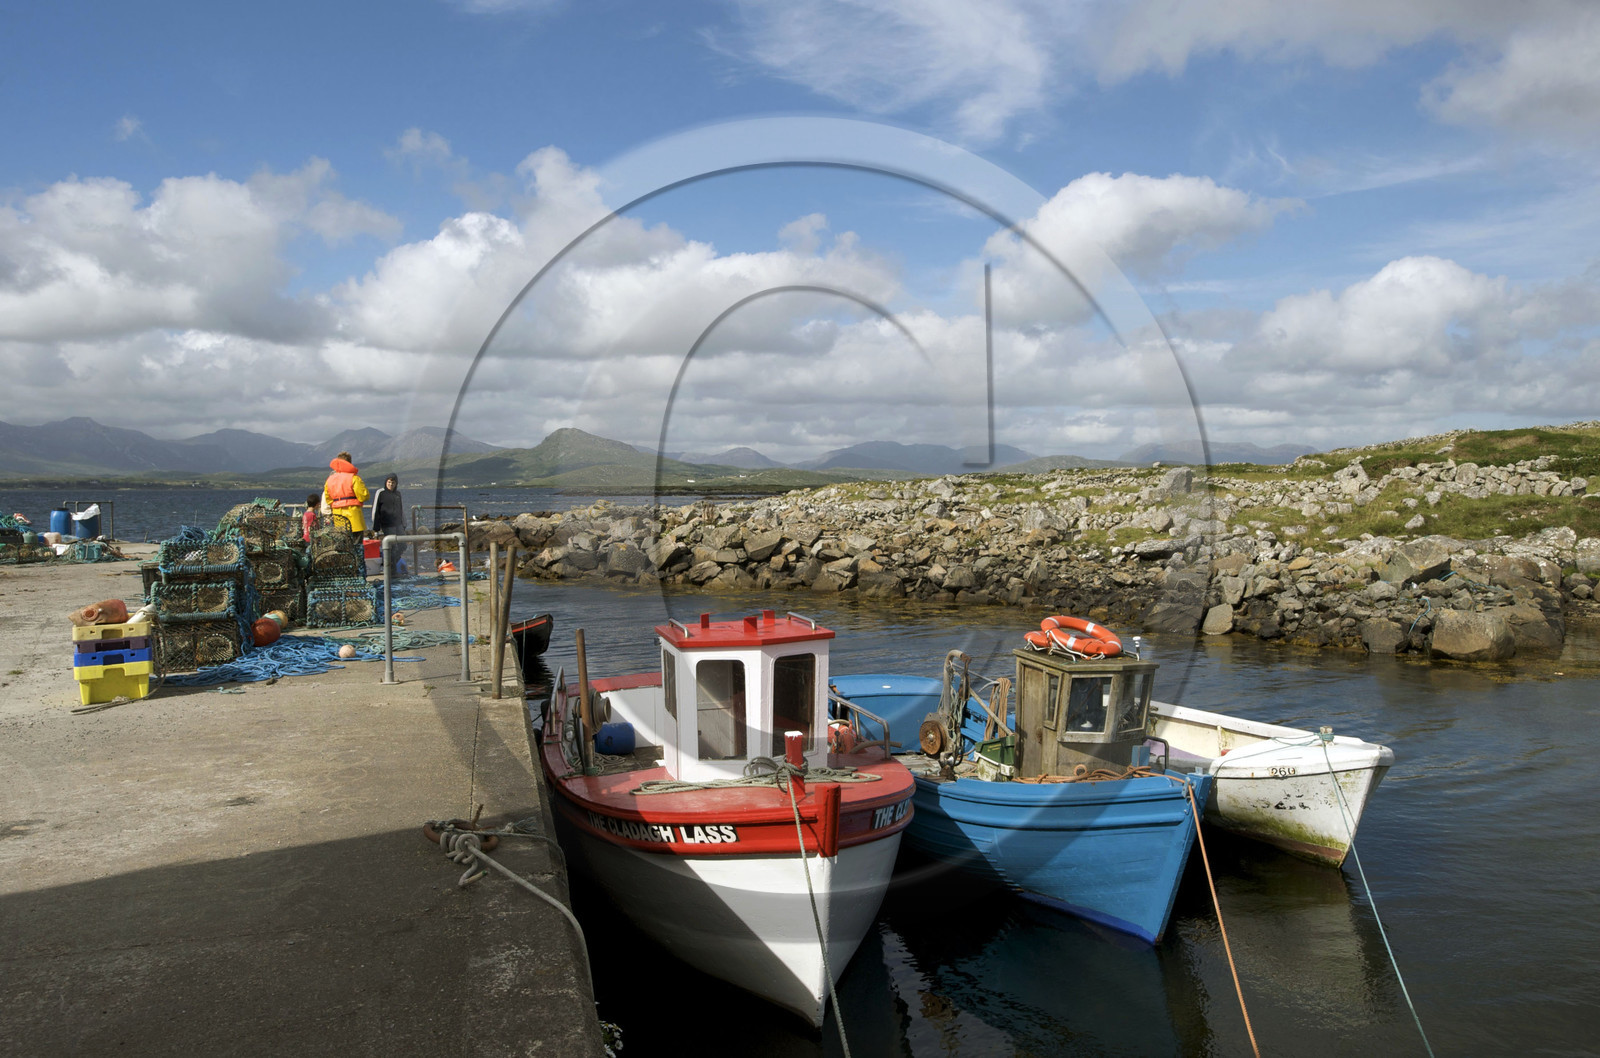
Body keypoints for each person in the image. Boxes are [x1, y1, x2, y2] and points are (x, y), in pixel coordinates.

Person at [322, 452, 369, 534]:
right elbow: (363, 496)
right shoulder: (354, 478)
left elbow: (328, 499)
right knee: (356, 540)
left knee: (342, 539)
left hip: (338, 517)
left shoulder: (329, 480)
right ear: (349, 463)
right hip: (354, 517)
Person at [369, 474, 404, 573]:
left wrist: (404, 523)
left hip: (398, 524)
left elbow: (401, 509)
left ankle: (392, 562)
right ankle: (390, 569)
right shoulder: (381, 493)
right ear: (386, 483)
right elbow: (376, 510)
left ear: (396, 483)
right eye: (389, 482)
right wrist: (376, 525)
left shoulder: (398, 494)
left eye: (393, 482)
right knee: (391, 546)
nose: (391, 484)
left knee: (403, 545)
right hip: (387, 524)